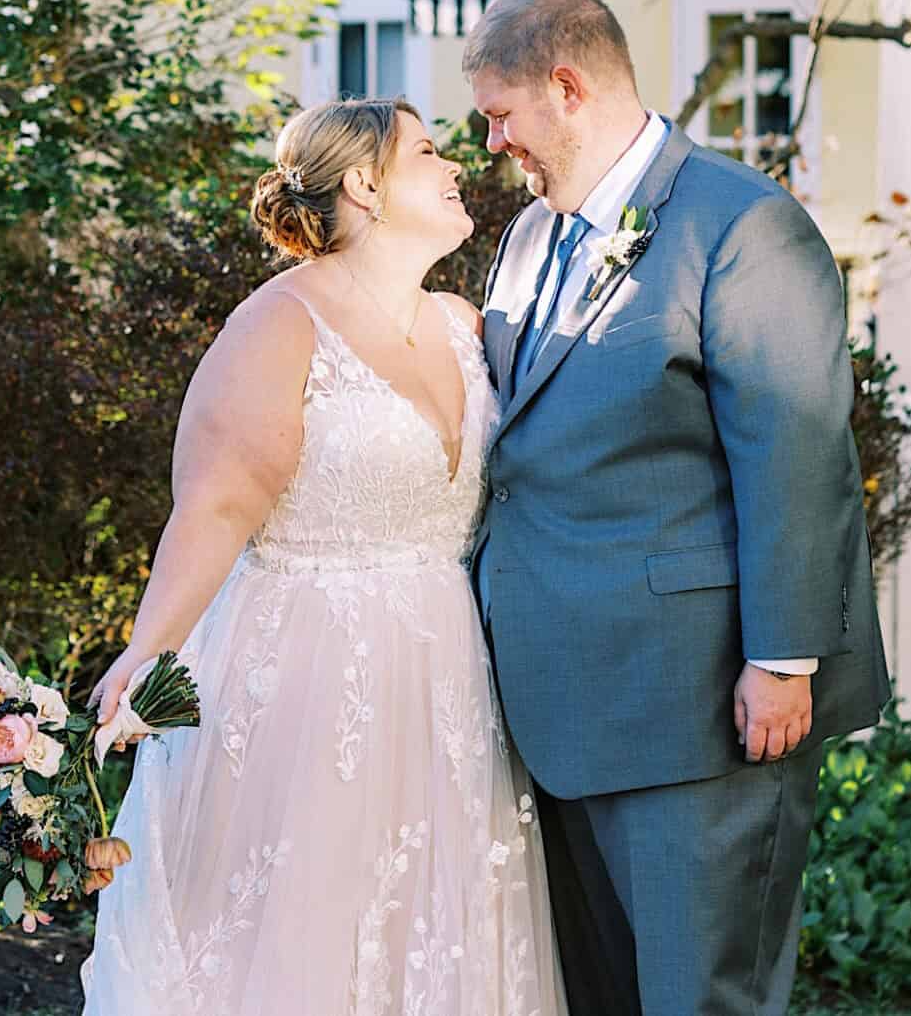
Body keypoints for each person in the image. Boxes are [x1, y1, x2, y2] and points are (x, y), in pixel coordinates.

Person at [79, 98, 566, 1015]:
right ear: (365, 183)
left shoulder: (467, 325)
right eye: (429, 152)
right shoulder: (280, 322)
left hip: (450, 679)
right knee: (309, 938)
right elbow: (218, 503)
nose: (457, 165)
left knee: (432, 940)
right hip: (306, 679)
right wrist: (151, 650)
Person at [466, 0, 890, 1016]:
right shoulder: (530, 238)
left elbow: (796, 451)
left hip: (696, 705)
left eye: (499, 114)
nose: (489, 142)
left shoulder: (743, 225)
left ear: (566, 88)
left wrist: (782, 659)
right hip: (555, 701)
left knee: (704, 997)